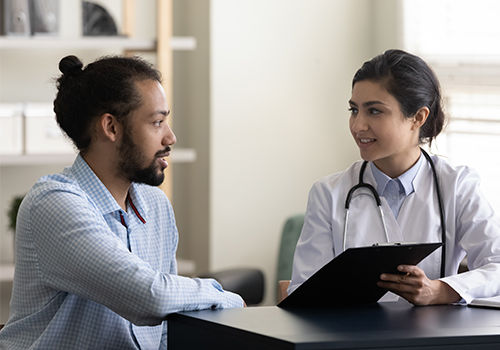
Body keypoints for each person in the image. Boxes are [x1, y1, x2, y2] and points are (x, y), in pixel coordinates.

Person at [0, 55, 244, 349]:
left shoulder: (155, 206)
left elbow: (166, 325)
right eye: (157, 122)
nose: (170, 137)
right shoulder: (54, 204)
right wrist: (228, 297)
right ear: (111, 128)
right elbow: (150, 297)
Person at [288, 49, 500, 306]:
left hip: (433, 341)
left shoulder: (458, 186)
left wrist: (440, 290)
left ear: (418, 117)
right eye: (354, 110)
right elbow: (303, 291)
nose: (358, 125)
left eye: (374, 111)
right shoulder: (328, 193)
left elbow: (496, 265)